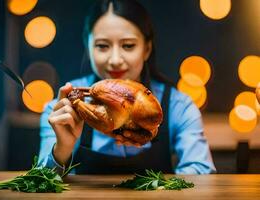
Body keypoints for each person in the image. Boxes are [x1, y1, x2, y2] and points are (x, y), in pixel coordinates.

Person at [38, 0, 216, 174]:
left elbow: (202, 171)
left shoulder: (178, 106)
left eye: (128, 45)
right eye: (102, 46)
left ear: (146, 49)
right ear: (88, 47)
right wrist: (61, 150)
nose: (115, 60)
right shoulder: (63, 108)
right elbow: (40, 183)